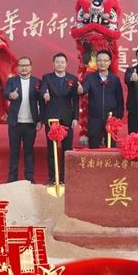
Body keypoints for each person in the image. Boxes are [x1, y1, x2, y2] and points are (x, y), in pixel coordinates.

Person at [41, 53, 80, 184]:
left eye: (62, 62)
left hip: (67, 118)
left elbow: (76, 100)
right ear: (53, 64)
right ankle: (52, 177)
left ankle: (64, 177)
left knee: (66, 149)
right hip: (52, 118)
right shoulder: (47, 77)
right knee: (51, 149)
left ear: (66, 64)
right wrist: (44, 95)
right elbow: (42, 91)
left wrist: (75, 118)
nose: (60, 64)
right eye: (57, 62)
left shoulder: (72, 79)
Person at [4, 56, 42, 183]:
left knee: (29, 151)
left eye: (26, 65)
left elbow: (41, 102)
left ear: (31, 67)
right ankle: (12, 178)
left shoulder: (37, 82)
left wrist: (40, 120)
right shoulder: (12, 81)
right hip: (15, 123)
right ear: (17, 67)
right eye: (21, 65)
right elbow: (5, 93)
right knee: (14, 152)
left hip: (30, 124)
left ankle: (29, 177)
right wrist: (11, 95)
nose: (23, 68)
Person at [78, 50, 124, 148]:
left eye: (105, 61)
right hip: (94, 118)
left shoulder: (115, 79)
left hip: (111, 118)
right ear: (96, 62)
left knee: (111, 146)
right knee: (93, 146)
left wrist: (119, 116)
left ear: (109, 62)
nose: (102, 63)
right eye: (99, 60)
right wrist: (81, 90)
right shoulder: (90, 77)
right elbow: (84, 89)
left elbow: (120, 99)